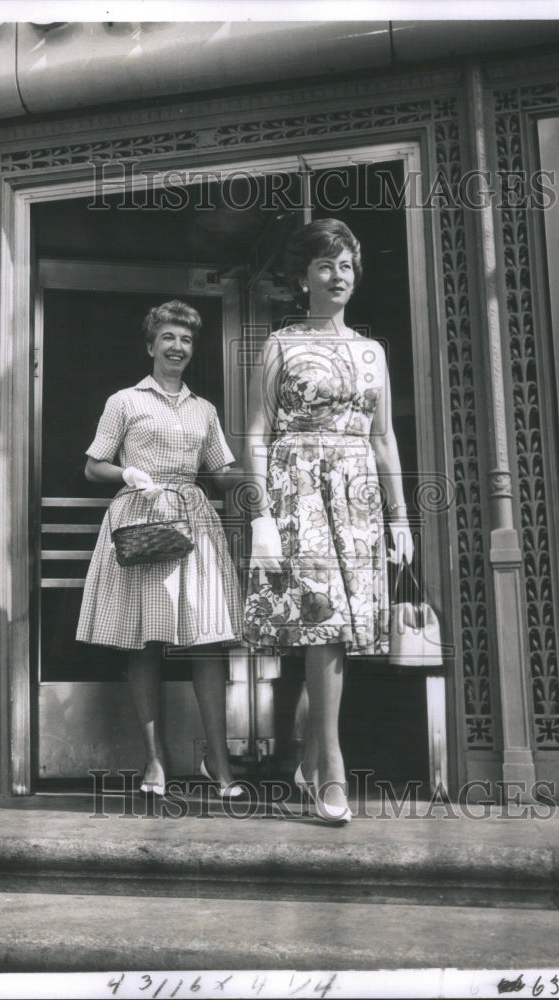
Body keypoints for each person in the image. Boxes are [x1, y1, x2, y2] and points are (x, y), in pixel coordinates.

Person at [242, 218, 414, 824]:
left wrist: (400, 517)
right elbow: (258, 431)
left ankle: (308, 758)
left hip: (358, 493)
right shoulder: (282, 344)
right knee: (321, 621)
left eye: (346, 265)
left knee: (341, 628)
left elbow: (385, 436)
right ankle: (333, 770)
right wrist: (261, 514)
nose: (338, 276)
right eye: (326, 265)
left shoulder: (371, 352)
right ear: (303, 276)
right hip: (299, 490)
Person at [76, 300, 244, 800]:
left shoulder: (204, 410)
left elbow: (222, 471)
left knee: (208, 640)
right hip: (141, 519)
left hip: (193, 521)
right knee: (146, 639)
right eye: (169, 337)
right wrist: (127, 473)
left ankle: (220, 762)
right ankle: (154, 760)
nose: (178, 347)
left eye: (187, 340)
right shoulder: (124, 401)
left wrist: (263, 475)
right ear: (151, 345)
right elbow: (93, 465)